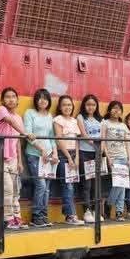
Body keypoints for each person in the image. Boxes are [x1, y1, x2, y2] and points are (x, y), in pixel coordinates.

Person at [0, 87, 27, 229]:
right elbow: (10, 122)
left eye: (13, 96)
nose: (11, 99)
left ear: (17, 100)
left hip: (13, 158)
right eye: (7, 97)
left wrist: (20, 161)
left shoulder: (19, 117)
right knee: (7, 189)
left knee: (15, 189)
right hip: (0, 156)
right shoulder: (1, 110)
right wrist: (26, 134)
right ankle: (7, 219)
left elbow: (17, 141)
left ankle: (16, 217)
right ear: (2, 100)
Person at [23, 89, 56, 227]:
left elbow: (52, 137)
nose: (43, 101)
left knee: (47, 188)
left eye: (45, 98)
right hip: (34, 154)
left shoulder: (50, 116)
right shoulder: (30, 113)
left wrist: (54, 153)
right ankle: (36, 216)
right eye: (40, 98)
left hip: (48, 156)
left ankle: (43, 215)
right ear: (36, 100)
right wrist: (41, 149)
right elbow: (28, 134)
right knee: (41, 185)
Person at [55, 95, 84, 225]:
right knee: (67, 185)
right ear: (60, 107)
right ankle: (70, 215)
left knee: (71, 185)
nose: (67, 107)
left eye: (69, 105)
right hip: (63, 154)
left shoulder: (74, 120)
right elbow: (59, 139)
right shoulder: (58, 120)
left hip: (73, 154)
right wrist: (68, 157)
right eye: (64, 105)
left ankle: (69, 214)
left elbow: (76, 140)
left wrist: (76, 157)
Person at [101, 101, 130, 220]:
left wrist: (129, 158)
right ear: (109, 110)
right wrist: (108, 157)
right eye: (114, 108)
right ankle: (110, 204)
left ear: (121, 112)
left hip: (123, 157)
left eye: (119, 109)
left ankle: (118, 211)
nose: (116, 110)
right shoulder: (105, 123)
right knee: (119, 184)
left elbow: (127, 143)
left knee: (122, 185)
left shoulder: (123, 126)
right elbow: (103, 141)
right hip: (113, 158)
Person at [77, 94, 104, 223]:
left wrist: (101, 150)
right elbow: (83, 134)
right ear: (84, 105)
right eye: (88, 104)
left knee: (96, 185)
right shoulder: (80, 117)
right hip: (85, 153)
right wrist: (95, 144)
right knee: (87, 184)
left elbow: (103, 137)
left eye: (93, 105)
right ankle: (87, 211)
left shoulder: (101, 119)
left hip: (97, 154)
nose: (91, 107)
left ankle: (95, 211)